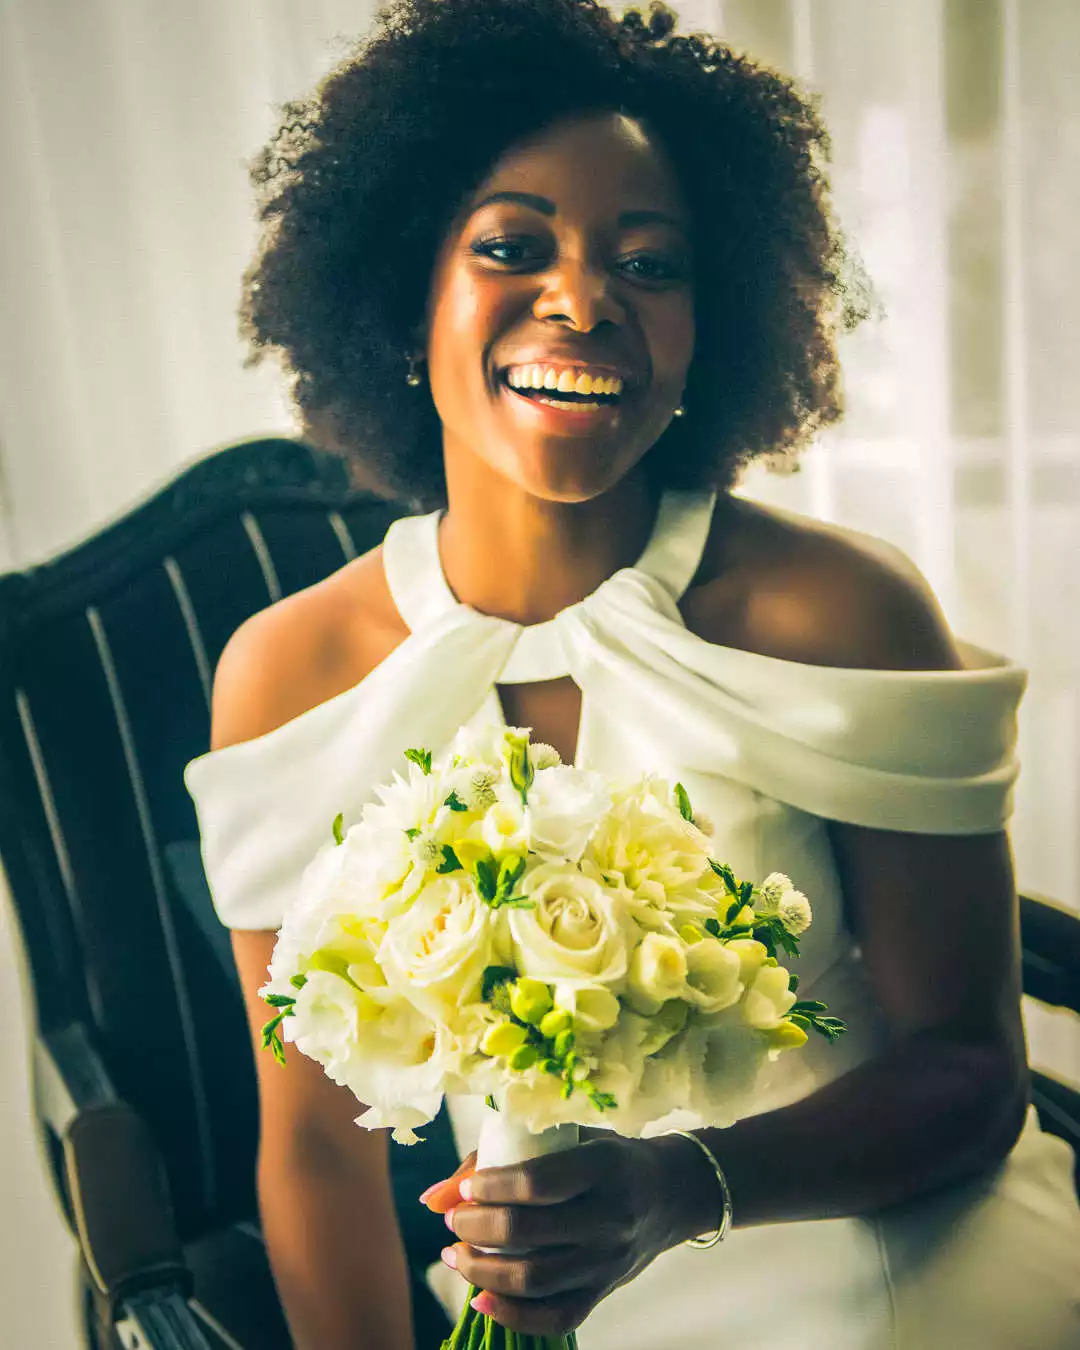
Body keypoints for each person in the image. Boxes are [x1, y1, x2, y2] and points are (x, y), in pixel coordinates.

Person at [185, 2, 1080, 1346]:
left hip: (888, 1235)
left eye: (649, 263)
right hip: (544, 1295)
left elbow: (968, 1070)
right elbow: (313, 1145)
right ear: (401, 292)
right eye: (511, 245)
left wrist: (681, 1187)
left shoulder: (843, 608)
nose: (585, 298)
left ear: (708, 326)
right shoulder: (288, 670)